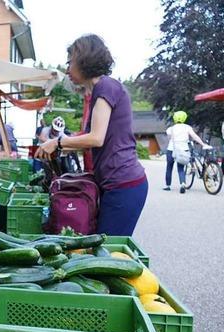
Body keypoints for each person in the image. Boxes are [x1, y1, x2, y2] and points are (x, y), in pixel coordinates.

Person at [35, 34, 147, 236]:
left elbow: (96, 138)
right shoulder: (98, 90)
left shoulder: (105, 86)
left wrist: (58, 143)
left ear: (84, 60)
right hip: (114, 183)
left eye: (70, 63)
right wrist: (54, 145)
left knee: (108, 252)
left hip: (123, 183)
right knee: (103, 249)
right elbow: (90, 141)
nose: (67, 69)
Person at [164, 111, 211, 193]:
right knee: (181, 168)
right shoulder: (187, 127)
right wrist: (202, 144)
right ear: (184, 118)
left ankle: (168, 185)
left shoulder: (170, 129)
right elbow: (194, 136)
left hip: (171, 150)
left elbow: (169, 139)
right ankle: (182, 183)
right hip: (183, 150)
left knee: (169, 167)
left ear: (174, 118)